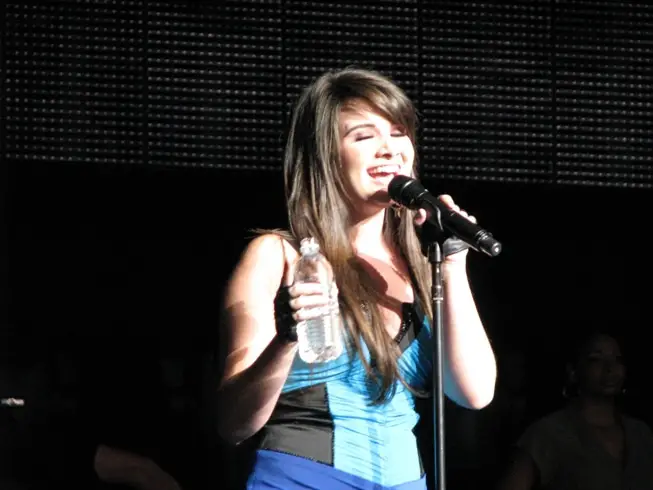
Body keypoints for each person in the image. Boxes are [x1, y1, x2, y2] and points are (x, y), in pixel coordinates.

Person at [216, 67, 497, 490]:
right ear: (326, 157)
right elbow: (233, 423)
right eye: (364, 136)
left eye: (399, 134)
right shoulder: (278, 255)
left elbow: (474, 392)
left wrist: (453, 265)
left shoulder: (426, 265)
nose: (389, 149)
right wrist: (286, 340)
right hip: (303, 478)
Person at [496, 331, 653, 490]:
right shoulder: (549, 433)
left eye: (617, 359)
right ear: (573, 371)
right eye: (595, 359)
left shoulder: (641, 433)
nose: (610, 368)